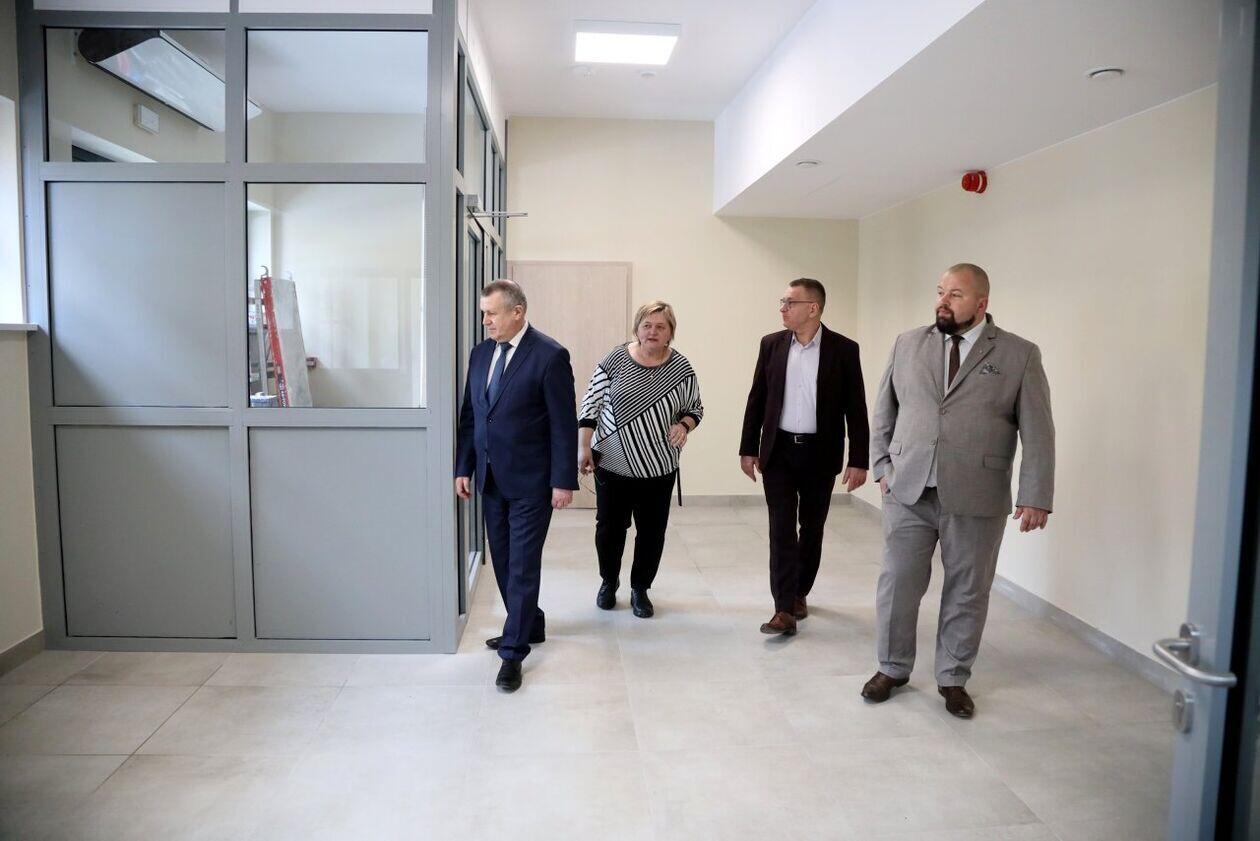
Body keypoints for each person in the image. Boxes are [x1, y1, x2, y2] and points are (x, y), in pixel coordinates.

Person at [865, 263, 1054, 718]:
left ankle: (953, 677)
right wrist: (882, 466)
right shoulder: (908, 343)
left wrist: (1035, 494)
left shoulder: (1019, 354)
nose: (943, 302)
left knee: (968, 589)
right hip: (908, 489)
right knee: (898, 583)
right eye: (940, 292)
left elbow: (1039, 431)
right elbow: (884, 409)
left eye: (955, 295)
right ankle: (892, 667)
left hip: (977, 493)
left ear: (982, 303)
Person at [455, 279, 578, 693]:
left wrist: (562, 481)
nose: (486, 321)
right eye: (484, 314)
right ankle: (530, 623)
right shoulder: (480, 354)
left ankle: (513, 652)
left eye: (491, 313)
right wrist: (464, 466)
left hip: (532, 482)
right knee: (505, 562)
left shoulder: (550, 355)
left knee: (523, 565)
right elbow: (472, 416)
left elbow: (563, 424)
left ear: (517, 311)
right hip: (491, 479)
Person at [739, 278, 869, 637]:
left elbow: (856, 407)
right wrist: (748, 448)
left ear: (813, 308)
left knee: (812, 528)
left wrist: (859, 459)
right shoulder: (771, 345)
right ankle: (783, 608)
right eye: (782, 301)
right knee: (780, 528)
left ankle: (799, 592)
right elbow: (757, 397)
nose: (782, 308)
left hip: (820, 453)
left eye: (789, 302)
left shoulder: (844, 349)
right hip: (778, 451)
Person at [578, 301, 703, 618]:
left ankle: (640, 589)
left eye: (661, 326)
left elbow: (695, 408)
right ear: (637, 328)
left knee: (651, 532)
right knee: (609, 529)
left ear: (670, 332)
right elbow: (590, 404)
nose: (653, 332)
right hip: (612, 463)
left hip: (658, 467)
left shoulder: (681, 369)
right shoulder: (615, 359)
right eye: (647, 325)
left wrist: (683, 425)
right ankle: (608, 582)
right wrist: (583, 446)